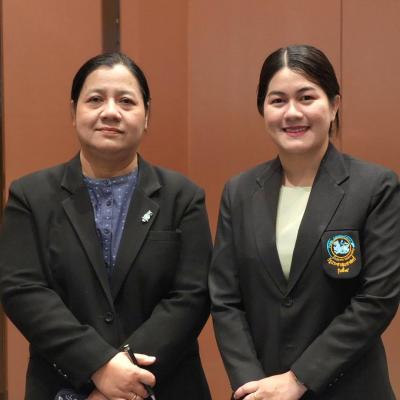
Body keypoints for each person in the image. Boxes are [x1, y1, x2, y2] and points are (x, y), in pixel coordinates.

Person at [0, 53, 212, 400]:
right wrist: (99, 366)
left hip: (164, 385)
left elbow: (191, 296)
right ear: (74, 112)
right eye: (95, 99)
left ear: (147, 115)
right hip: (65, 388)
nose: (110, 111)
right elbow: (23, 291)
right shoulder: (30, 196)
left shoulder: (183, 197)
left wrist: (126, 375)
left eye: (126, 101)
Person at [209, 44, 400, 400]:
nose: (292, 112)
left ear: (334, 105)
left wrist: (298, 379)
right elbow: (225, 300)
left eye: (306, 97)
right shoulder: (239, 192)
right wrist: (251, 384)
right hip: (262, 390)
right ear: (263, 109)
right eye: (277, 100)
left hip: (352, 389)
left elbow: (376, 299)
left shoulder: (375, 187)